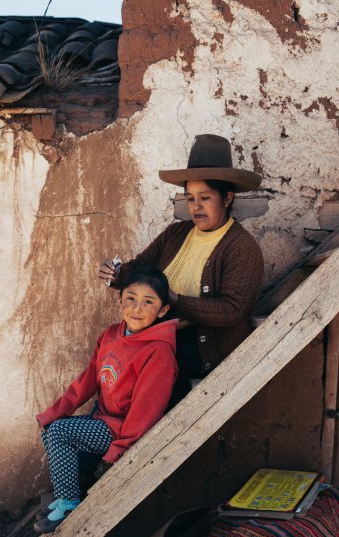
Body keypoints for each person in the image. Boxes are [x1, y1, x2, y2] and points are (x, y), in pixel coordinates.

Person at [99, 135, 264, 407]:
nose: (195, 206)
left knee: (137, 368)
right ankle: (102, 431)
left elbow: (232, 311)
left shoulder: (241, 248)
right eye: (190, 198)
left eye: (204, 198)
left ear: (227, 198)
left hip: (196, 346)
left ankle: (121, 437)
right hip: (157, 338)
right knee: (111, 357)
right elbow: (141, 267)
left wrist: (174, 300)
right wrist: (116, 275)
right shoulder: (177, 233)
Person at [34, 266, 178, 533]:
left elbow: (147, 410)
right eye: (131, 298)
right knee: (51, 429)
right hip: (100, 420)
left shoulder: (159, 352)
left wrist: (120, 449)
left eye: (149, 302)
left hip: (121, 430)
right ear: (120, 300)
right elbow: (89, 379)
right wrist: (56, 411)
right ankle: (68, 491)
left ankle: (68, 501)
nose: (137, 308)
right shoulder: (112, 334)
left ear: (163, 311)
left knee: (60, 433)